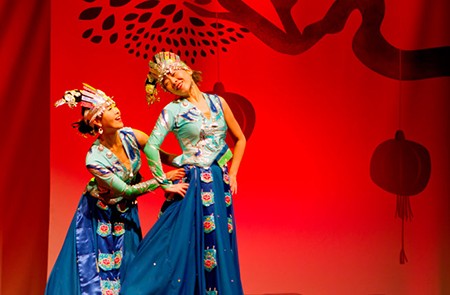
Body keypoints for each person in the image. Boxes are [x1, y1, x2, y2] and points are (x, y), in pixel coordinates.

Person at [120, 51, 246, 294]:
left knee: (220, 241)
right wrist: (163, 183)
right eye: (166, 82)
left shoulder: (218, 102)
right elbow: (152, 146)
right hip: (195, 183)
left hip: (220, 183)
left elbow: (240, 139)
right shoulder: (172, 111)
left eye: (174, 73)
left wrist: (234, 174)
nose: (172, 80)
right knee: (184, 243)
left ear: (188, 69)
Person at [45, 83, 188, 295]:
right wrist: (162, 180)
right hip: (98, 215)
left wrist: (195, 159)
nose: (117, 110)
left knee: (129, 267)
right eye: (110, 109)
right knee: (97, 274)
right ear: (98, 122)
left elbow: (164, 156)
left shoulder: (132, 136)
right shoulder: (94, 159)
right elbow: (126, 191)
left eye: (115, 105)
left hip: (126, 213)